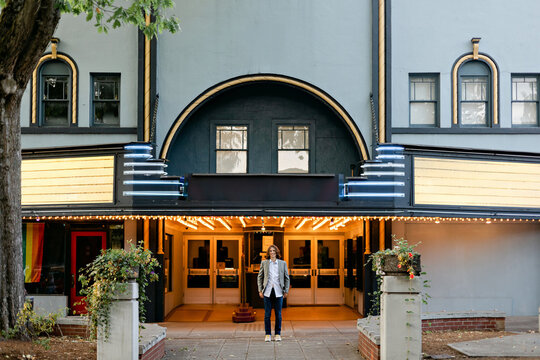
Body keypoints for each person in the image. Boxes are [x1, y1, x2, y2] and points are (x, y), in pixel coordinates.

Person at [257, 244, 290, 342]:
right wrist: (260, 290)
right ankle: (267, 334)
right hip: (267, 292)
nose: (272, 253)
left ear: (277, 253)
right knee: (267, 315)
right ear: (268, 253)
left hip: (279, 292)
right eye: (270, 251)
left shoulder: (282, 263)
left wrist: (286, 290)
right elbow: (260, 277)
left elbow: (286, 278)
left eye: (273, 251)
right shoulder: (264, 263)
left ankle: (277, 334)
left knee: (278, 314)